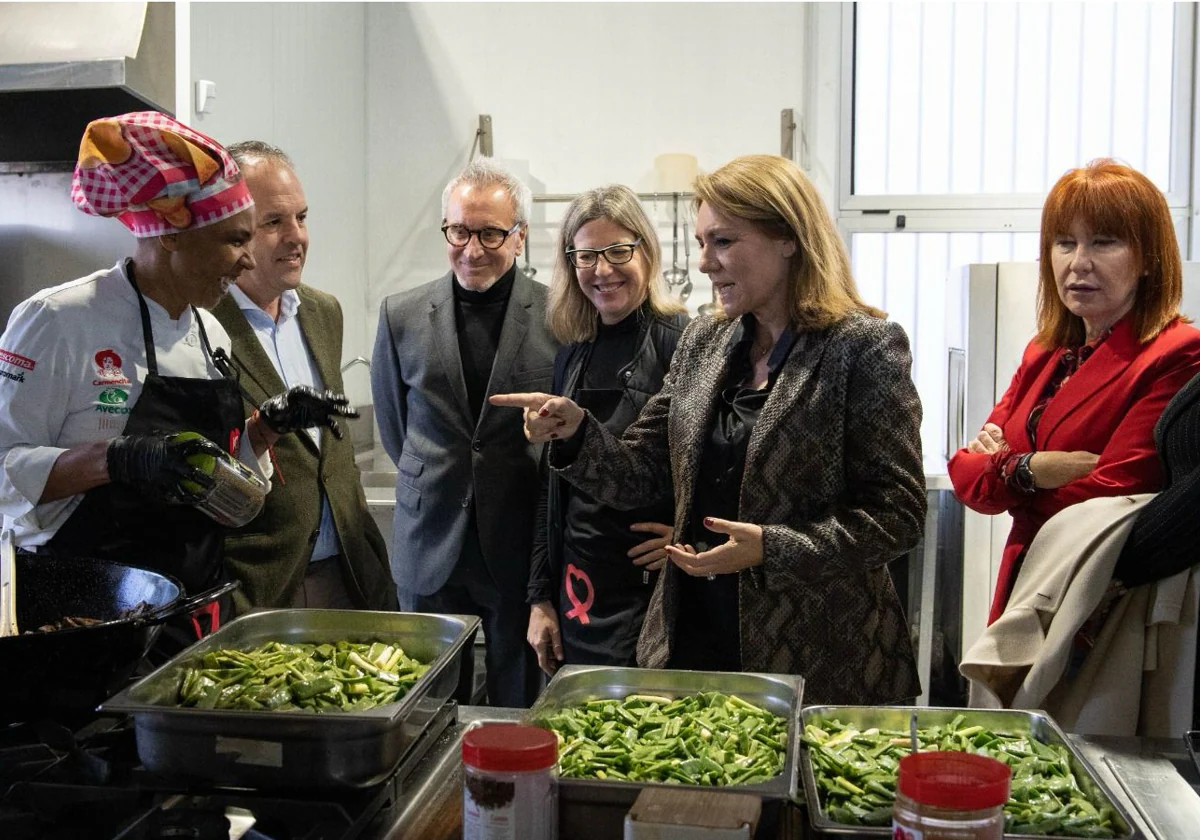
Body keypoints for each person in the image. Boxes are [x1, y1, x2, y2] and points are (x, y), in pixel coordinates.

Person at [494, 154, 924, 706]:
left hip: (818, 655)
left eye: (722, 242)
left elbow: (900, 517)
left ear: (788, 238)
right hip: (696, 641)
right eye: (701, 242)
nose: (704, 263)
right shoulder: (706, 342)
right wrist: (577, 431)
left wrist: (771, 547)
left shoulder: (863, 347)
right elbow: (640, 476)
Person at [0, 112, 355, 636]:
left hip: (184, 611)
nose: (243, 262)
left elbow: (222, 495)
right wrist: (117, 460)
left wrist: (266, 428)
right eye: (235, 240)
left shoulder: (210, 333)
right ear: (169, 236)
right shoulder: (58, 320)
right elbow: (6, 470)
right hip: (83, 611)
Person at [949, 159, 1200, 625]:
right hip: (1025, 578)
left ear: (1148, 258)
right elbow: (966, 476)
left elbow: (1114, 490)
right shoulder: (1046, 351)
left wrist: (1003, 468)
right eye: (1065, 242)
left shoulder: (1178, 352)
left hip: (1099, 589)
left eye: (1104, 242)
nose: (1078, 262)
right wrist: (1033, 468)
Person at [372, 157, 558, 707]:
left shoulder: (558, 314)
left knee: (515, 699)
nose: (472, 248)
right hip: (429, 538)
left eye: (491, 233)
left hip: (516, 546)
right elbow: (394, 425)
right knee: (423, 701)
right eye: (459, 231)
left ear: (519, 237)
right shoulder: (400, 314)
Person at [210, 141, 395, 614]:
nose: (297, 237)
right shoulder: (202, 324)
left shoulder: (321, 312)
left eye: (302, 217)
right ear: (232, 229)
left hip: (349, 573)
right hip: (261, 586)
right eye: (273, 222)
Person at [527, 185, 688, 675]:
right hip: (579, 591)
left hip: (653, 594)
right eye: (586, 256)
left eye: (618, 251)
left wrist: (689, 537)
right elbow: (551, 489)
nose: (602, 270)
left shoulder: (684, 343)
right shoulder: (572, 353)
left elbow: (720, 466)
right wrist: (539, 597)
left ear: (647, 251)